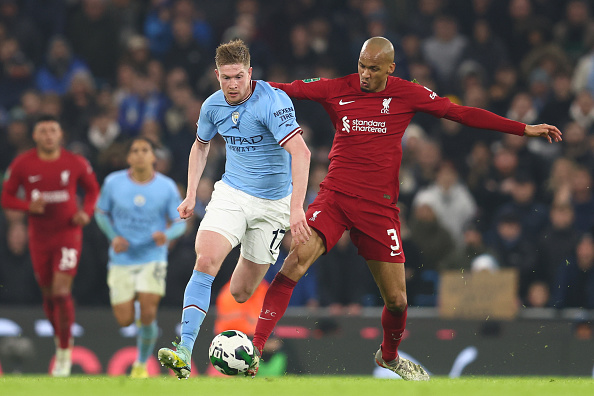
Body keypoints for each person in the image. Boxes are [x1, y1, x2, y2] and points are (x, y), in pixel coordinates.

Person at [248, 36, 562, 381]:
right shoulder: (337, 88)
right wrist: (240, 86)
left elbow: (461, 113)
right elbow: (284, 88)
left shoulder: (407, 93)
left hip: (379, 209)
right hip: (334, 198)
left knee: (397, 301)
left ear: (390, 68)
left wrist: (523, 129)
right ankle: (256, 348)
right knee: (295, 261)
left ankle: (389, 355)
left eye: (373, 68)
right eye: (361, 66)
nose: (365, 74)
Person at [157, 39, 311, 379]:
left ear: (250, 73)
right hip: (232, 194)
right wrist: (190, 194)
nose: (232, 85)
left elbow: (302, 153)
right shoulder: (212, 106)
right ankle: (183, 350)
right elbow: (200, 147)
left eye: (239, 77)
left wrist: (296, 208)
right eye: (226, 78)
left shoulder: (272, 101)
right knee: (206, 259)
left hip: (273, 206)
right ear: (217, 75)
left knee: (241, 293)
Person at [0, 114, 100, 377]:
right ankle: (60, 342)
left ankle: (65, 353)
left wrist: (86, 213)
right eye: (43, 131)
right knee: (48, 295)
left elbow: (92, 190)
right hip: (39, 237)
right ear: (35, 136)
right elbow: (7, 197)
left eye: (52, 130)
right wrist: (26, 206)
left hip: (68, 234)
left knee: (60, 291)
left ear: (60, 134)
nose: (48, 135)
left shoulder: (75, 162)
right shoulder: (23, 164)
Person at [94, 137, 186, 378]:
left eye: (145, 150)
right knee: (125, 320)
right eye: (135, 150)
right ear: (128, 158)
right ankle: (140, 321)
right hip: (122, 257)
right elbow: (101, 213)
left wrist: (165, 235)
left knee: (148, 311)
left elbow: (179, 222)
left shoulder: (166, 187)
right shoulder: (113, 183)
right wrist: (113, 236)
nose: (140, 154)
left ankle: (141, 364)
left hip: (152, 257)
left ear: (154, 157)